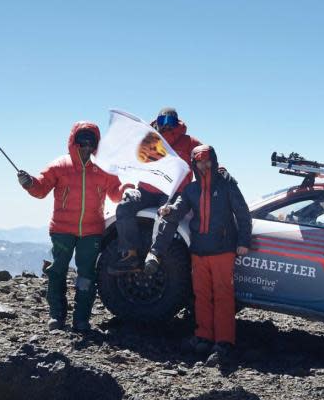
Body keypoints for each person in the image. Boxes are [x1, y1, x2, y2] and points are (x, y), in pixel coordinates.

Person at [17, 122, 127, 332]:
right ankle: (56, 316)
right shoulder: (60, 166)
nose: (86, 146)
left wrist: (128, 189)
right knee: (57, 271)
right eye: (82, 142)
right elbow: (41, 189)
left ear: (96, 145)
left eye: (91, 142)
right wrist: (29, 183)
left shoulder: (103, 169)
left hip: (91, 231)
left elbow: (115, 192)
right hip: (61, 230)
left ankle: (81, 319)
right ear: (74, 142)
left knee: (86, 276)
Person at [156, 145, 251, 365]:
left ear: (214, 161)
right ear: (193, 164)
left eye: (207, 161)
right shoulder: (191, 190)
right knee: (201, 295)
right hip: (198, 250)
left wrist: (243, 242)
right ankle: (203, 337)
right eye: (199, 161)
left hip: (223, 250)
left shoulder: (227, 185)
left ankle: (224, 342)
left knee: (223, 296)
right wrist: (169, 210)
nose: (204, 165)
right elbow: (179, 209)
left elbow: (243, 214)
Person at [110, 107, 203, 275]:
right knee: (125, 206)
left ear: (177, 123)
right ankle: (130, 255)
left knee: (167, 213)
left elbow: (206, 155)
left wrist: (220, 170)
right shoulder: (148, 139)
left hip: (172, 192)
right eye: (163, 121)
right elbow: (130, 156)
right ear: (157, 121)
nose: (167, 126)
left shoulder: (189, 142)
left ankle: (155, 255)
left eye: (171, 122)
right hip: (146, 189)